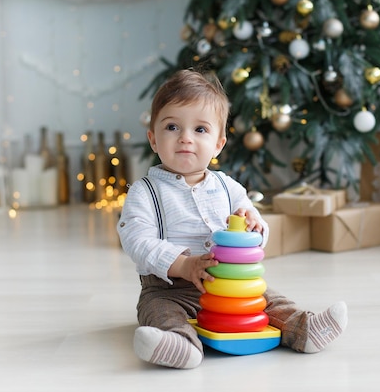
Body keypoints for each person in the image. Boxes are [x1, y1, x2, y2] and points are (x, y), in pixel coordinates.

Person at [117, 69, 347, 369]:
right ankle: (180, 345)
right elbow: (136, 240)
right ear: (153, 139)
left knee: (269, 300)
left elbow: (258, 233)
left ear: (218, 144)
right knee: (158, 311)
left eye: (200, 130)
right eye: (172, 127)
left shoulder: (229, 188)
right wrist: (184, 265)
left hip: (231, 286)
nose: (185, 138)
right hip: (169, 288)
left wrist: (254, 223)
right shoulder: (144, 192)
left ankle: (304, 329)